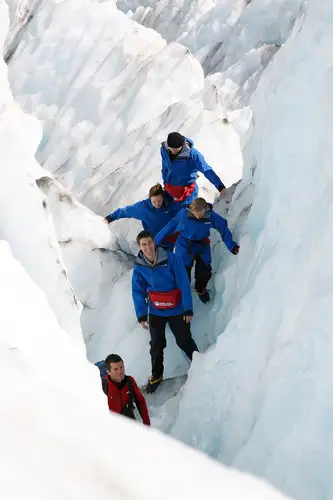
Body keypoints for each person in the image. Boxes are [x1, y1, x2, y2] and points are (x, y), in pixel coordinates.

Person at [132, 230, 198, 393]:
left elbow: (183, 284)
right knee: (156, 346)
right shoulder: (139, 266)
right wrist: (141, 315)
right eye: (143, 244)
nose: (147, 247)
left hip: (177, 309)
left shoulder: (171, 259)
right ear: (139, 247)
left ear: (154, 242)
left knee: (184, 341)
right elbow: (137, 290)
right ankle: (156, 376)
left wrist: (188, 309)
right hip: (156, 311)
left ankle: (200, 365)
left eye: (149, 243)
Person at [154, 198, 239, 304]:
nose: (197, 216)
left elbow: (223, 227)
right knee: (182, 273)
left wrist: (231, 246)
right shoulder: (184, 215)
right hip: (184, 246)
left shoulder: (211, 216)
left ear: (205, 209)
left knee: (205, 271)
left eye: (199, 214)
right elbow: (169, 227)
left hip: (202, 246)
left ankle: (200, 289)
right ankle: (181, 296)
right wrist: (155, 242)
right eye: (194, 214)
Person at [104, 183, 181, 249]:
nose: (157, 204)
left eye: (159, 201)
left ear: (163, 198)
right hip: (155, 244)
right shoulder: (143, 208)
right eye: (154, 202)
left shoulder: (171, 203)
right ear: (150, 199)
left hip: (172, 241)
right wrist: (110, 218)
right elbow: (126, 211)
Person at [160, 132, 227, 205]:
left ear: (182, 145)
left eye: (175, 150)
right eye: (171, 149)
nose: (172, 152)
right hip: (171, 190)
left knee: (187, 214)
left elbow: (206, 170)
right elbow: (165, 169)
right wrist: (166, 184)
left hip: (187, 193)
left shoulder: (193, 155)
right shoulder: (164, 150)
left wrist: (220, 187)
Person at [101, 353, 150, 425]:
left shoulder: (130, 381)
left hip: (129, 421)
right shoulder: (103, 386)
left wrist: (147, 423)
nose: (120, 372)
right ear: (108, 372)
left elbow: (140, 401)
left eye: (121, 367)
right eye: (115, 369)